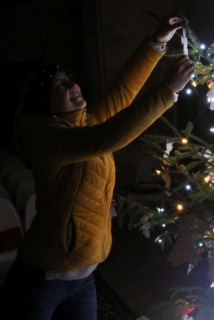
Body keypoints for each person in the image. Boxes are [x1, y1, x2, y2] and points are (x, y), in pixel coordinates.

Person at [0, 13, 194, 320]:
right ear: (45, 102)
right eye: (61, 85)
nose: (73, 84)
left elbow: (123, 92)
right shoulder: (47, 138)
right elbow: (107, 138)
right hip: (41, 278)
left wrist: (159, 39)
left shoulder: (85, 121)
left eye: (69, 78)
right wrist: (167, 91)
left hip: (85, 277)